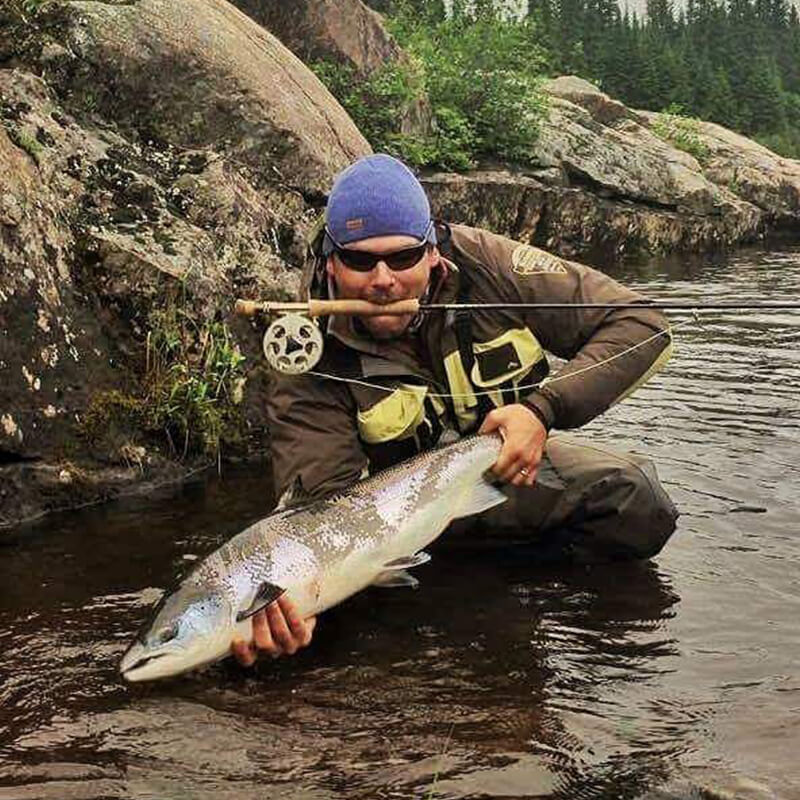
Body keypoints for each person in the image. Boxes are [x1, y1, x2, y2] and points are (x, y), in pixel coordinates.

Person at [231, 153, 679, 666]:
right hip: (390, 526)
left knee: (634, 500)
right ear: (331, 260)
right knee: (302, 637)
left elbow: (640, 327)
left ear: (432, 252)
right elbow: (326, 509)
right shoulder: (300, 348)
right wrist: (302, 597)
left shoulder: (490, 266)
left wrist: (541, 410)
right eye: (359, 261)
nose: (383, 280)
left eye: (402, 258)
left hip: (503, 477)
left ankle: (506, 593)